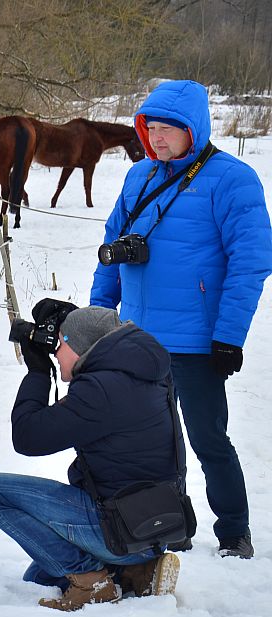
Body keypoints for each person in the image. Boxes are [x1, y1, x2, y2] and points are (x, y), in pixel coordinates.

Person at [90, 80, 272, 559]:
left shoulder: (233, 180)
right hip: (137, 339)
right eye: (152, 128)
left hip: (196, 341)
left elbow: (250, 261)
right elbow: (113, 250)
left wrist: (228, 336)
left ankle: (234, 531)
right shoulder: (138, 178)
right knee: (152, 445)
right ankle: (167, 526)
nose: (159, 138)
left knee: (208, 439)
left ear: (196, 129)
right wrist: (97, 319)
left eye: (171, 129)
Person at [0, 304, 182, 612]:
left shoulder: (100, 391)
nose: (57, 353)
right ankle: (136, 571)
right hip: (153, 526)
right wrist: (75, 321)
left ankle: (92, 582)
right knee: (37, 577)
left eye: (61, 344)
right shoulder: (149, 374)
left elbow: (27, 437)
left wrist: (37, 372)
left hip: (118, 529)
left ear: (82, 347)